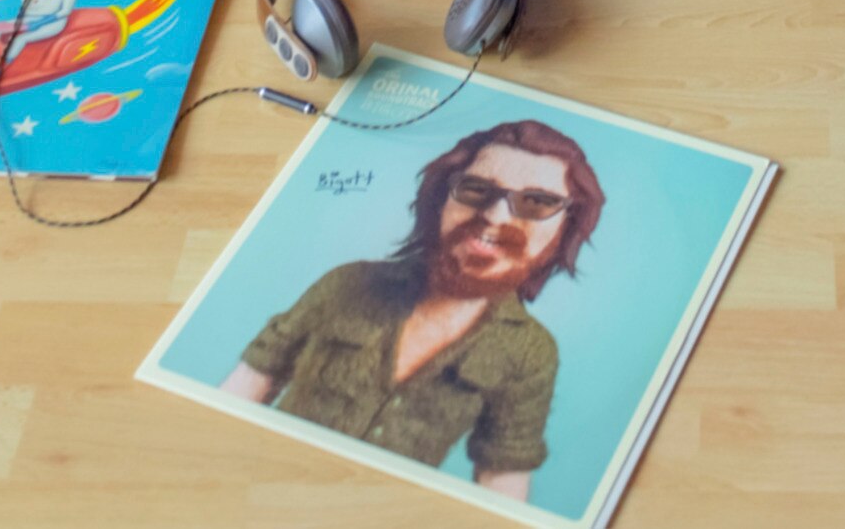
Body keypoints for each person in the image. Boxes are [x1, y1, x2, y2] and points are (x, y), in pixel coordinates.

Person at [221, 120, 605, 498]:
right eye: (476, 189)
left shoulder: (531, 353)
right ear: (441, 200)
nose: (495, 216)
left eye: (537, 202)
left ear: (564, 230)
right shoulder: (347, 284)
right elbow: (240, 394)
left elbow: (502, 482)